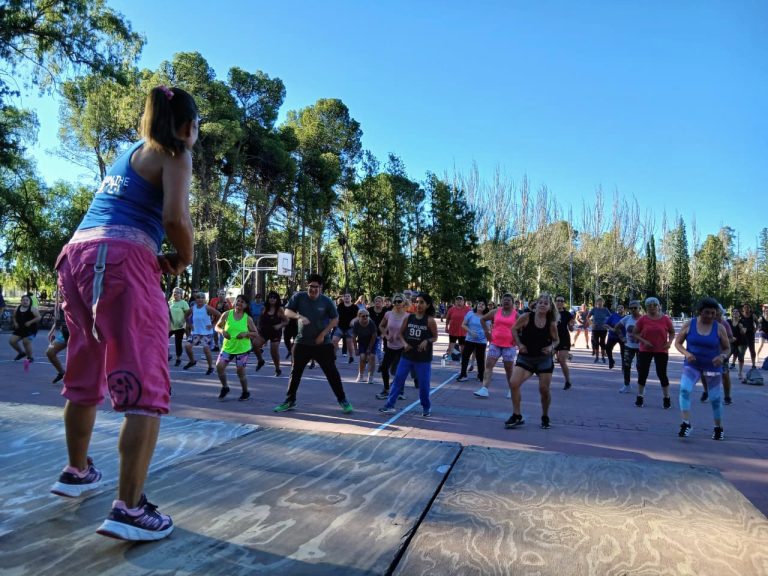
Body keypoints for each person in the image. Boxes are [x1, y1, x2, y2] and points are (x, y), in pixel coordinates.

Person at [49, 86, 198, 541]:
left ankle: (77, 471)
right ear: (189, 127)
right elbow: (175, 219)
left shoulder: (129, 153)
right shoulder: (175, 152)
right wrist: (185, 257)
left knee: (85, 367)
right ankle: (129, 508)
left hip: (75, 257)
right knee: (146, 380)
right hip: (120, 258)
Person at [274, 275, 353, 413]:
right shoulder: (299, 297)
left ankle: (343, 400)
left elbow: (335, 319)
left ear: (320, 288)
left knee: (332, 373)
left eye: (316, 287)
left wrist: (323, 334)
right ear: (307, 286)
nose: (313, 289)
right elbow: (286, 311)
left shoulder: (327, 301)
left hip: (322, 344)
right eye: (311, 286)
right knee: (295, 372)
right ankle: (290, 401)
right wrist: (299, 316)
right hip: (302, 342)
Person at [674, 298, 731, 440]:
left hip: (712, 366)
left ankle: (718, 428)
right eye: (707, 313)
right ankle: (686, 423)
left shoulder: (719, 327)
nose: (710, 316)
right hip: (692, 365)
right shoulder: (689, 324)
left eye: (713, 313)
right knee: (684, 390)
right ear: (700, 312)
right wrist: (687, 354)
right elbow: (678, 343)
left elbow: (727, 348)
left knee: (715, 398)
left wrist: (722, 357)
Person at [378, 293, 439, 417]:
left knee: (423, 385)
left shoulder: (430, 320)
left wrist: (426, 340)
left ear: (427, 305)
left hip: (423, 358)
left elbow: (435, 337)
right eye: (417, 302)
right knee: (398, 380)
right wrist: (404, 344)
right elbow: (401, 334)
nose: (418, 304)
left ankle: (426, 406)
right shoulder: (409, 318)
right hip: (407, 355)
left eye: (422, 302)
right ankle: (389, 405)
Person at [505, 294, 560, 429]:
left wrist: (551, 347)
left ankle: (545, 416)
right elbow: (513, 329)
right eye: (540, 302)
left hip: (543, 360)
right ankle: (517, 415)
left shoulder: (551, 323)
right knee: (513, 383)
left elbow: (557, 340)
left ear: (549, 307)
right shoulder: (526, 317)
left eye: (545, 303)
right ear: (535, 305)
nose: (542, 305)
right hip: (526, 358)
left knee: (543, 389)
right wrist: (519, 344)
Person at [214, 294, 259, 401]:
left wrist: (245, 334)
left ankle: (245, 392)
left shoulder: (247, 318)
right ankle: (225, 387)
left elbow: (255, 333)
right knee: (219, 366)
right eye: (238, 301)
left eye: (242, 302)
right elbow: (217, 326)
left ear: (246, 305)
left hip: (242, 349)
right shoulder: (227, 314)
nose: (239, 303)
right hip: (228, 347)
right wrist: (222, 331)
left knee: (240, 371)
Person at [633, 297, 675, 409]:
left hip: (661, 350)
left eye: (654, 305)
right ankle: (640, 396)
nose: (652, 307)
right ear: (646, 307)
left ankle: (666, 398)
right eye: (649, 306)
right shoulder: (643, 319)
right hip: (645, 350)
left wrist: (669, 342)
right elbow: (635, 333)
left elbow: (672, 332)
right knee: (643, 373)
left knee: (662, 374)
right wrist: (644, 341)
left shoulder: (665, 319)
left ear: (659, 306)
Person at [474, 292, 518, 398]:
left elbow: (523, 327)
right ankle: (484, 389)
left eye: (509, 300)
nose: (506, 301)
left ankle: (512, 390)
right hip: (495, 343)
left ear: (512, 302)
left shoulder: (516, 314)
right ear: (501, 301)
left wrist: (517, 340)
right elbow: (482, 319)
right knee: (489, 365)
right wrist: (487, 333)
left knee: (509, 369)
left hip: (509, 345)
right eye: (504, 299)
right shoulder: (496, 311)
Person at [376, 293, 409, 400]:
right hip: (390, 346)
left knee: (400, 370)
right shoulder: (388, 314)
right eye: (395, 301)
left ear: (404, 302)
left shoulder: (407, 316)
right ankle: (386, 390)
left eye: (399, 301)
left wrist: (404, 339)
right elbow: (381, 326)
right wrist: (386, 335)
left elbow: (410, 332)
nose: (397, 303)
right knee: (384, 368)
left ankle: (400, 391)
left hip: (402, 347)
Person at [183, 292, 221, 375]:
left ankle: (210, 367)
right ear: (195, 299)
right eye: (198, 297)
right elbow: (186, 315)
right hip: (196, 333)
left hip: (206, 333)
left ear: (204, 299)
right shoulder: (193, 308)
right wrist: (189, 324)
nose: (200, 299)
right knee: (187, 346)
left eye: (202, 298)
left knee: (206, 349)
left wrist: (213, 325)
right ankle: (192, 361)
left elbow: (219, 314)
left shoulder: (207, 308)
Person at [256, 291, 286, 376]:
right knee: (255, 344)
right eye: (270, 297)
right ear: (268, 299)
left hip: (275, 332)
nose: (272, 299)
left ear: (277, 299)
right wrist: (258, 329)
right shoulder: (264, 308)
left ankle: (277, 368)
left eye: (274, 297)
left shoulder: (280, 309)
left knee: (274, 350)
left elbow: (286, 321)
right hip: (264, 331)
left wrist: (280, 325)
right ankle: (260, 360)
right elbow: (260, 320)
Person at [457, 299, 488, 383]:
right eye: (479, 304)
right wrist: (470, 331)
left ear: (485, 307)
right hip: (470, 339)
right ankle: (463, 375)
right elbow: (463, 325)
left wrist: (485, 335)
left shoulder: (487, 316)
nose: (480, 305)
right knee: (465, 357)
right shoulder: (470, 314)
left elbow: (489, 329)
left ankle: (481, 376)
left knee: (480, 359)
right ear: (476, 305)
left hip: (481, 341)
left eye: (483, 304)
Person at [616, 300, 643, 394]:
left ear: (640, 308)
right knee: (626, 366)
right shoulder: (627, 318)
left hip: (641, 347)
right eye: (631, 308)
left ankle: (641, 386)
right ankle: (627, 385)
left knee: (640, 367)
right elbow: (617, 327)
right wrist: (622, 338)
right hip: (628, 346)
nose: (633, 310)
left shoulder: (644, 319)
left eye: (635, 308)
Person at [8, 293, 40, 363]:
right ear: (21, 301)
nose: (25, 301)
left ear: (29, 301)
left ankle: (30, 357)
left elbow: (38, 317)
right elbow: (14, 316)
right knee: (12, 341)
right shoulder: (17, 308)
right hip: (20, 329)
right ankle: (21, 353)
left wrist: (30, 322)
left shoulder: (32, 309)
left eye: (27, 300)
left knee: (26, 342)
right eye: (23, 300)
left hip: (31, 330)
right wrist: (15, 323)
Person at [351, 308, 378, 382]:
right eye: (363, 316)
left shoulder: (371, 323)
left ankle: (370, 376)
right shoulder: (356, 323)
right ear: (359, 316)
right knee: (362, 357)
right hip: (362, 341)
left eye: (367, 315)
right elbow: (353, 337)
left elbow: (374, 336)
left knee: (371, 357)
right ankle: (361, 375)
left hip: (372, 341)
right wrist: (356, 349)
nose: (366, 317)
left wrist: (369, 348)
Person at [554, 296, 575, 390]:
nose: (560, 302)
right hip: (552, 339)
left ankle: (568, 381)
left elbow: (571, 329)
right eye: (558, 301)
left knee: (562, 360)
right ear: (555, 302)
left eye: (562, 301)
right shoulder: (550, 313)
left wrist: (571, 325)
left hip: (564, 339)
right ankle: (545, 379)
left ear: (564, 303)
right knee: (546, 359)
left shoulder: (567, 314)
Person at [333, 292, 359, 364]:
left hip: (350, 328)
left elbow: (358, 316)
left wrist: (353, 320)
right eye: (345, 296)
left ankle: (351, 357)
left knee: (349, 344)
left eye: (348, 296)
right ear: (343, 298)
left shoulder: (355, 307)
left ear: (351, 298)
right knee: (334, 340)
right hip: (340, 327)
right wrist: (336, 321)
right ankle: (333, 355)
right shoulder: (340, 305)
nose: (347, 297)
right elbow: (337, 314)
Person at [47, 301, 69, 384]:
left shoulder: (77, 301)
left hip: (77, 334)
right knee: (50, 352)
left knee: (74, 358)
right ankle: (61, 372)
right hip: (63, 334)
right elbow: (57, 321)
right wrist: (51, 332)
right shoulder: (59, 305)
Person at [167, 287, 189, 367]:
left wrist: (184, 322)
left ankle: (178, 358)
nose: (175, 294)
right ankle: (167, 355)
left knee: (178, 343)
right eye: (174, 292)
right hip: (169, 326)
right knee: (163, 340)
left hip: (180, 327)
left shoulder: (184, 303)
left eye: (177, 292)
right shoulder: (169, 302)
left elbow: (188, 314)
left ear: (181, 294)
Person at [737, 304, 759, 378]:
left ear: (750, 308)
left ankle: (753, 365)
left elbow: (757, 323)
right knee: (741, 352)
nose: (746, 309)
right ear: (743, 309)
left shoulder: (753, 315)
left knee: (752, 350)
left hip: (750, 335)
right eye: (745, 308)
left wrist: (755, 329)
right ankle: (740, 371)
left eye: (748, 308)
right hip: (743, 335)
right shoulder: (740, 315)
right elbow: (737, 323)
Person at [588, 297, 610, 363]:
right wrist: (591, 324)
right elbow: (587, 317)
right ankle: (597, 357)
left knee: (602, 343)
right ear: (596, 302)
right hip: (595, 329)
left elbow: (610, 317)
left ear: (603, 303)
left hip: (603, 329)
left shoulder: (605, 310)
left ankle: (603, 357)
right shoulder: (594, 309)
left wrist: (607, 324)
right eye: (598, 302)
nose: (600, 303)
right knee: (596, 343)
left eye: (601, 302)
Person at [605, 304, 626, 369]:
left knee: (623, 352)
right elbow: (605, 324)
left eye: (621, 307)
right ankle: (611, 361)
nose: (620, 309)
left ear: (624, 309)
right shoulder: (613, 316)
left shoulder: (626, 317)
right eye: (618, 307)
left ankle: (623, 366)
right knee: (608, 349)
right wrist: (611, 329)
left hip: (622, 337)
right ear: (617, 309)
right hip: (612, 336)